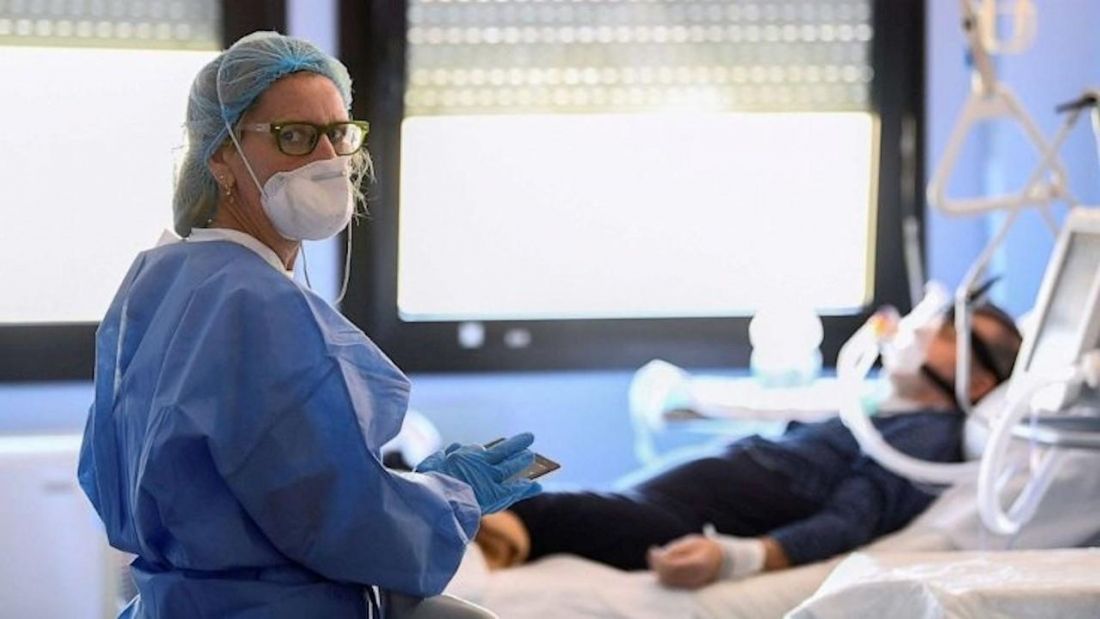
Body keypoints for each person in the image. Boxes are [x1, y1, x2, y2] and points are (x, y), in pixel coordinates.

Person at [77, 32, 540, 618]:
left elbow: (115, 475)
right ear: (220, 156)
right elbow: (347, 525)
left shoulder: (162, 276)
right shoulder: (259, 305)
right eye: (293, 136)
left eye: (337, 134)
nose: (326, 159)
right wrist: (450, 496)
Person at [475, 302, 1022, 589]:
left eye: (949, 332)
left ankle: (446, 516)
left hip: (687, 522)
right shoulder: (884, 408)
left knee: (540, 509)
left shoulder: (925, 439)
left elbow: (850, 520)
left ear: (978, 383)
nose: (920, 329)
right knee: (537, 496)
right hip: (676, 499)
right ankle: (447, 500)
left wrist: (738, 557)